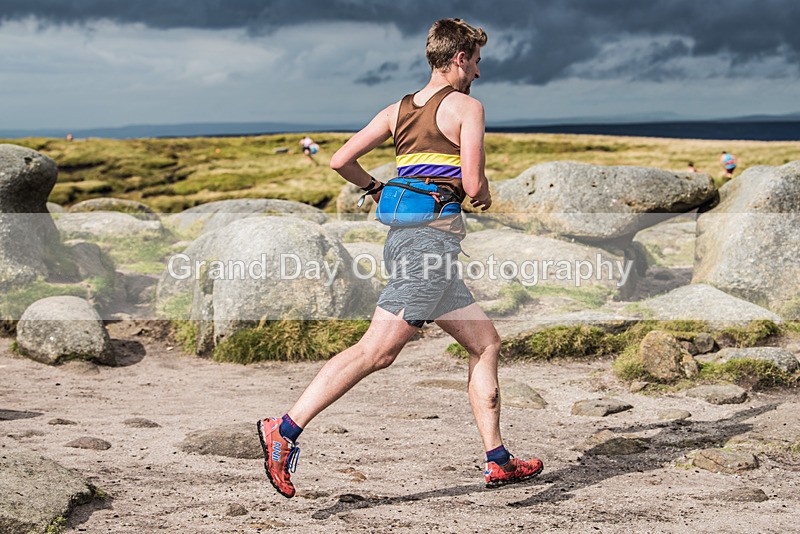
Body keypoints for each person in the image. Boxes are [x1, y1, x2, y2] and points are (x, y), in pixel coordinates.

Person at [257, 18, 543, 499]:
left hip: (415, 247)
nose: (478, 71)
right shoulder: (467, 107)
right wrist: (485, 192)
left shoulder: (397, 110)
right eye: (475, 61)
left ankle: (498, 461)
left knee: (486, 343)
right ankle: (283, 431)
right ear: (458, 59)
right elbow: (472, 186)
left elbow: (339, 160)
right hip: (428, 250)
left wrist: (375, 188)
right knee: (378, 351)